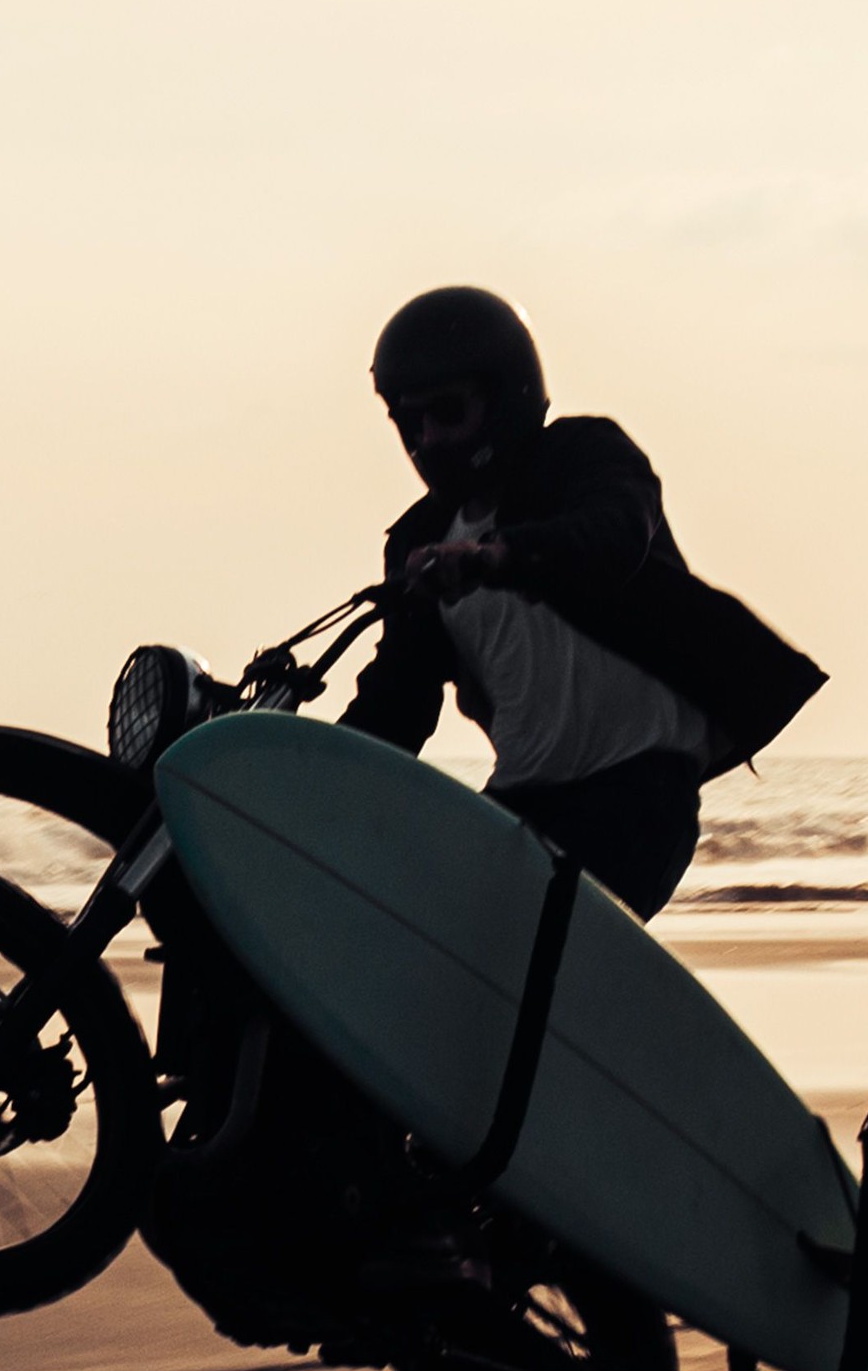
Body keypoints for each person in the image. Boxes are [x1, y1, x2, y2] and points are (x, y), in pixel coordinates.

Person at [341, 286, 822, 918]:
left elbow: (612, 538)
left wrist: (496, 558)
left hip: (640, 793)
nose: (427, 439)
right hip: (522, 801)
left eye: (447, 412)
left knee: (533, 964)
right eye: (410, 422)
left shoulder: (584, 457)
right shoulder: (418, 540)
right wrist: (309, 781)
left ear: (504, 397)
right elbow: (398, 702)